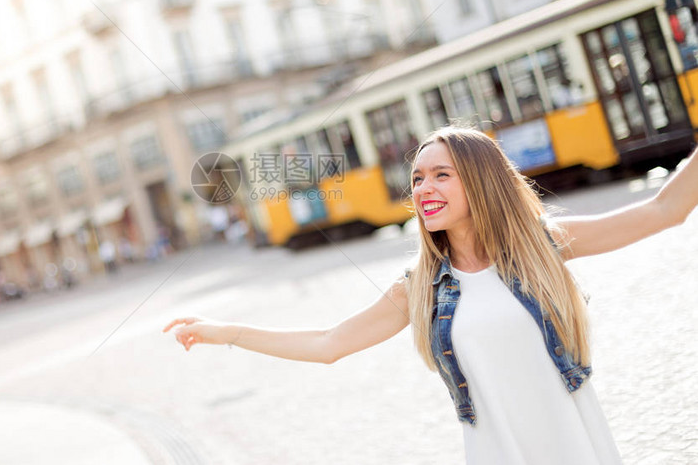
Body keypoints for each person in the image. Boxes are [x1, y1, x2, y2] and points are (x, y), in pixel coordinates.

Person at [163, 127, 698, 465]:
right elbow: (329, 342)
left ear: (482, 184)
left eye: (442, 175)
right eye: (417, 179)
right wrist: (227, 332)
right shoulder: (420, 287)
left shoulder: (544, 248)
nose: (423, 189)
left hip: (572, 442)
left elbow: (663, 210)